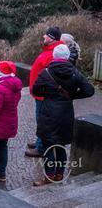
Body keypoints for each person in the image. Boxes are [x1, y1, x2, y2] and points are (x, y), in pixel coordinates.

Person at [32, 45, 94, 186]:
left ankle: (49, 176)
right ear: (67, 57)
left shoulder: (46, 73)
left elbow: (35, 90)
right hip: (66, 112)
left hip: (49, 112)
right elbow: (89, 90)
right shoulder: (75, 73)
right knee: (60, 145)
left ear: (54, 56)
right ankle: (59, 174)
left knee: (48, 146)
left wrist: (49, 95)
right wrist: (72, 95)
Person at [26, 26, 64, 158]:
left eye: (46, 35)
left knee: (42, 121)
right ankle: (39, 142)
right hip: (40, 93)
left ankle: (41, 148)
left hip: (44, 95)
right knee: (40, 120)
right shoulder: (50, 49)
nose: (43, 37)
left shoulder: (54, 53)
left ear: (52, 38)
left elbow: (50, 76)